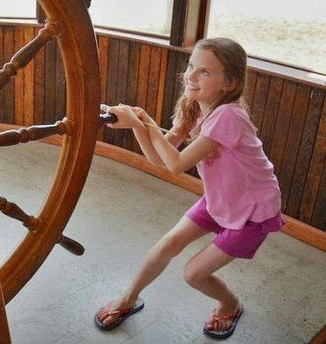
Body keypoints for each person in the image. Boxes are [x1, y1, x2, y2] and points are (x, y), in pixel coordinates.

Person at [94, 38, 283, 340]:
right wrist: (139, 124)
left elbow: (176, 164)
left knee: (193, 274)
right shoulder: (195, 108)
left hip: (252, 212)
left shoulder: (228, 115)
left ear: (229, 83)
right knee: (168, 243)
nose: (191, 76)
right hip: (221, 199)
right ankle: (129, 298)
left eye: (204, 72)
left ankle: (230, 304)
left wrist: (144, 125)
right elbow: (159, 159)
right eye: (191, 66)